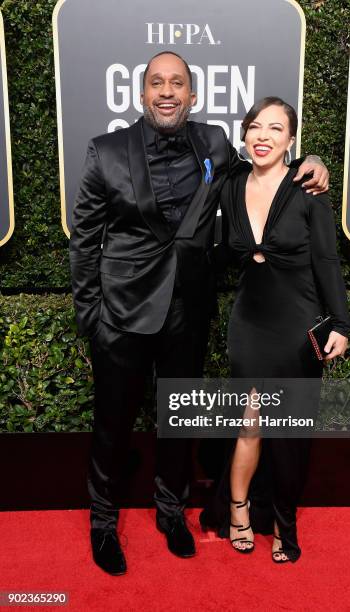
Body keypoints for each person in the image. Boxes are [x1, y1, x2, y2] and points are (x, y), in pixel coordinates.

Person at [69, 51, 329, 575]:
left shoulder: (213, 143)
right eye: (156, 83)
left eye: (178, 84)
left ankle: (171, 513)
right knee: (112, 425)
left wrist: (311, 163)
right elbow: (85, 242)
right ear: (141, 94)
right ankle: (103, 521)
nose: (167, 92)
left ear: (193, 95)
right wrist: (91, 317)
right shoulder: (106, 151)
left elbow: (265, 161)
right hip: (120, 314)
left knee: (176, 420)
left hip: (186, 310)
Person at [199, 97, 350, 563]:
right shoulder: (230, 184)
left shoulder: (308, 188)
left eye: (275, 129)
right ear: (245, 135)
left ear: (290, 140)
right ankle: (239, 511)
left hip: (296, 325)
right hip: (249, 322)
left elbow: (326, 260)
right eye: (255, 127)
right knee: (249, 425)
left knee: (286, 431)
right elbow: (220, 247)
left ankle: (285, 524)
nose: (263, 135)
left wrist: (341, 324)